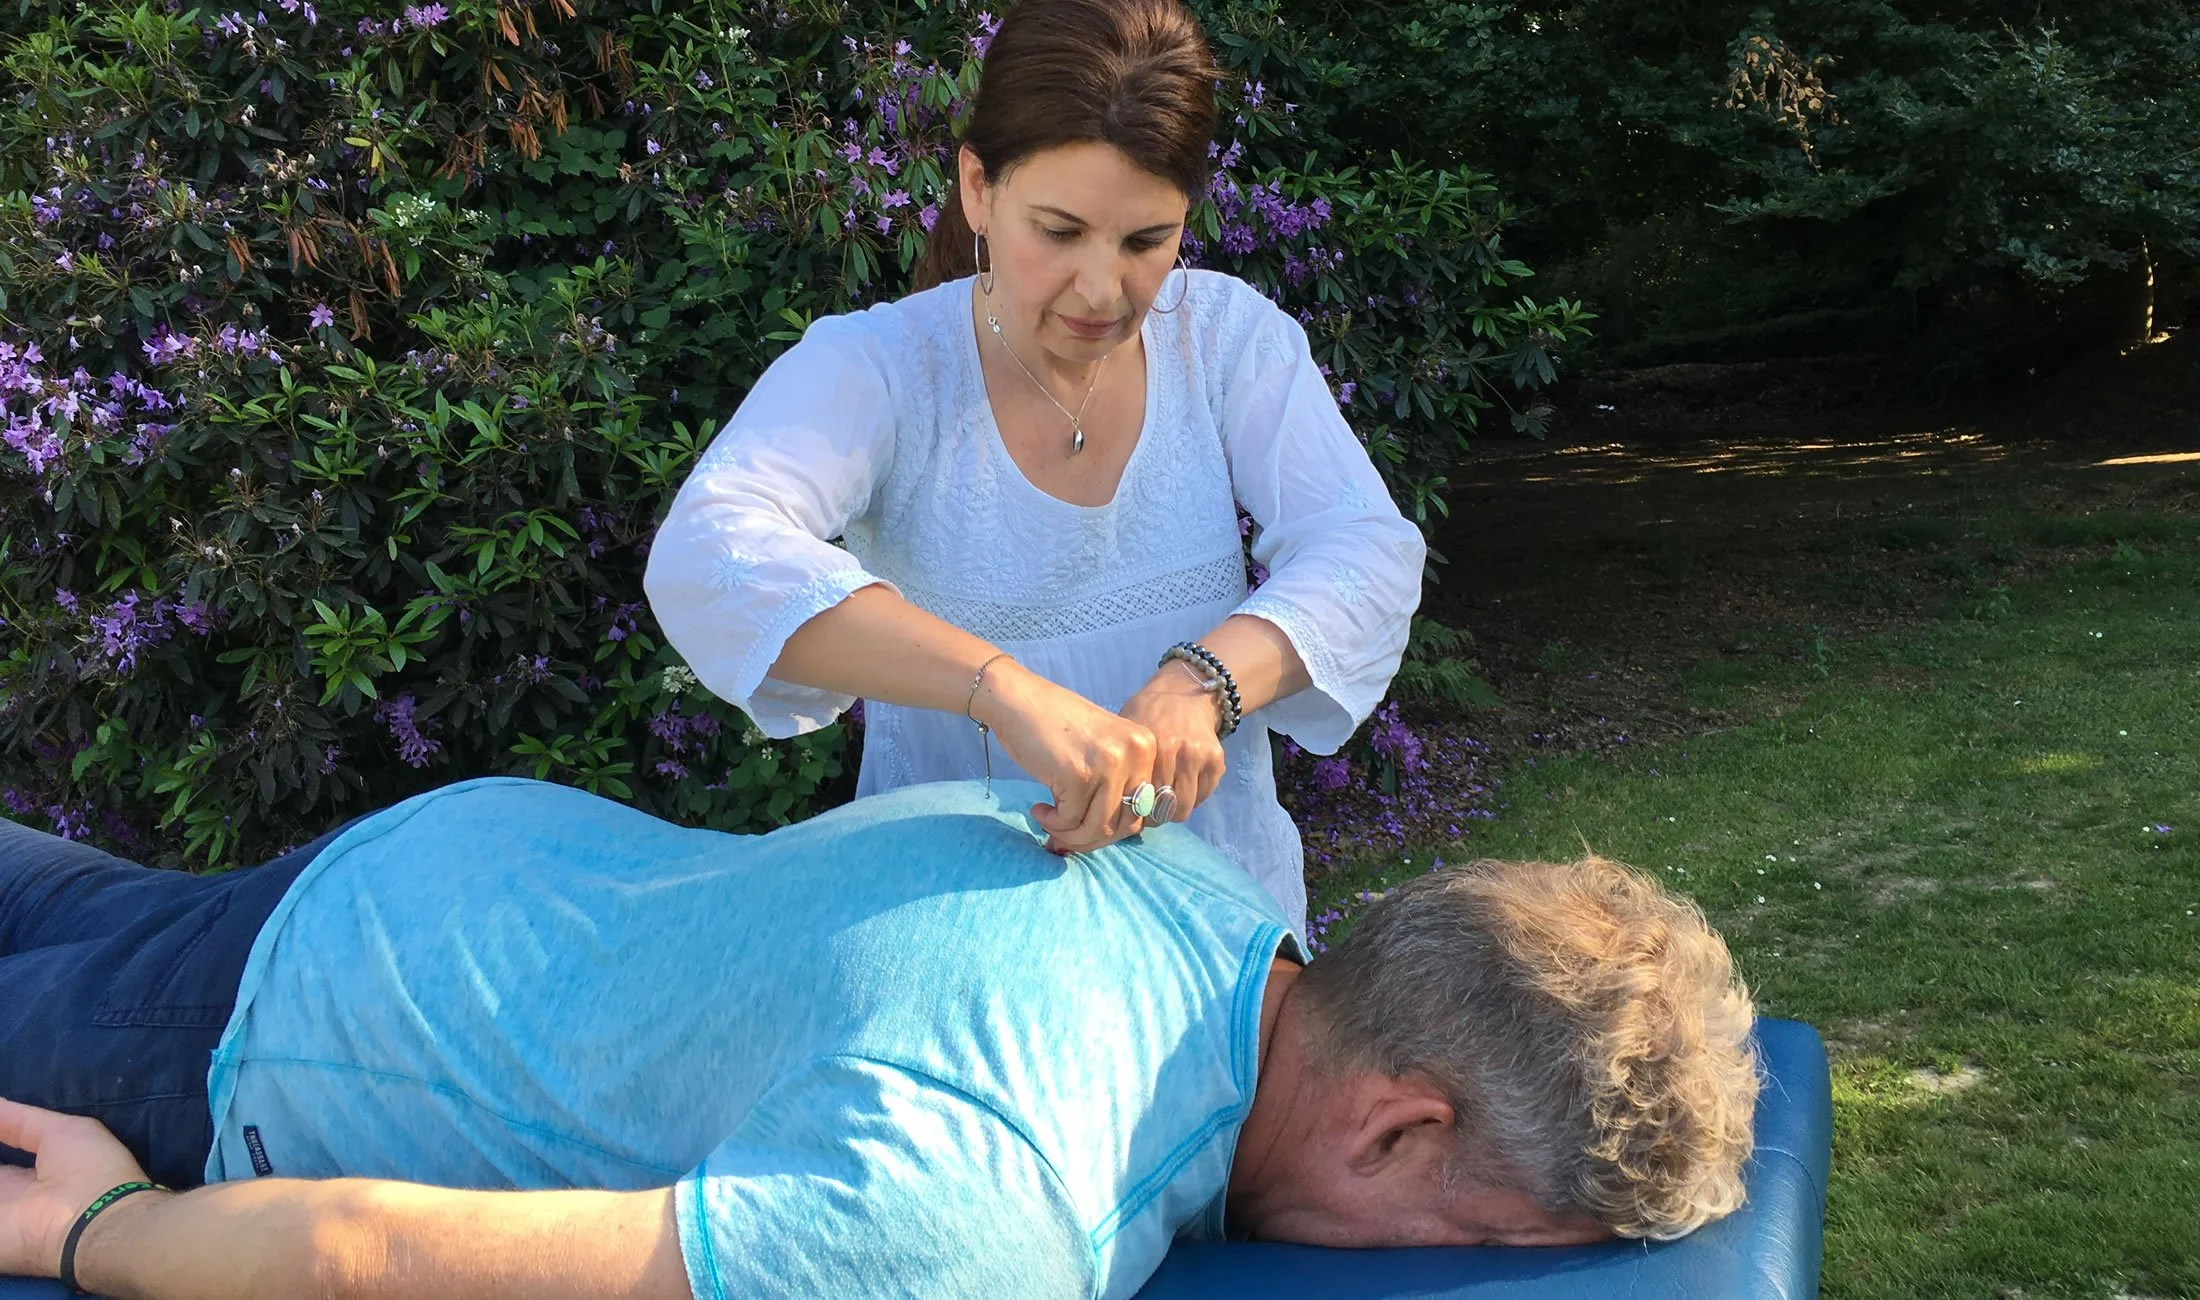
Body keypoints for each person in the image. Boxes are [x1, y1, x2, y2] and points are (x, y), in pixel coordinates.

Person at [0, 778, 1759, 1298]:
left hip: (447, 867)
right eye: (1488, 1248)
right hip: (267, 1041)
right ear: (1395, 1130)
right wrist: (98, 1233)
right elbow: (363, 1250)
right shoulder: (993, 1212)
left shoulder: (1202, 897)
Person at [644, 0, 1427, 933]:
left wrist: (1202, 681)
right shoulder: (882, 367)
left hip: (1214, 924)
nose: (1104, 291)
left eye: (1147, 241)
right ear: (978, 188)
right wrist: (1001, 692)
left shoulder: (1225, 342)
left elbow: (1367, 548)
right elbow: (708, 552)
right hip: (962, 942)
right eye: (1058, 232)